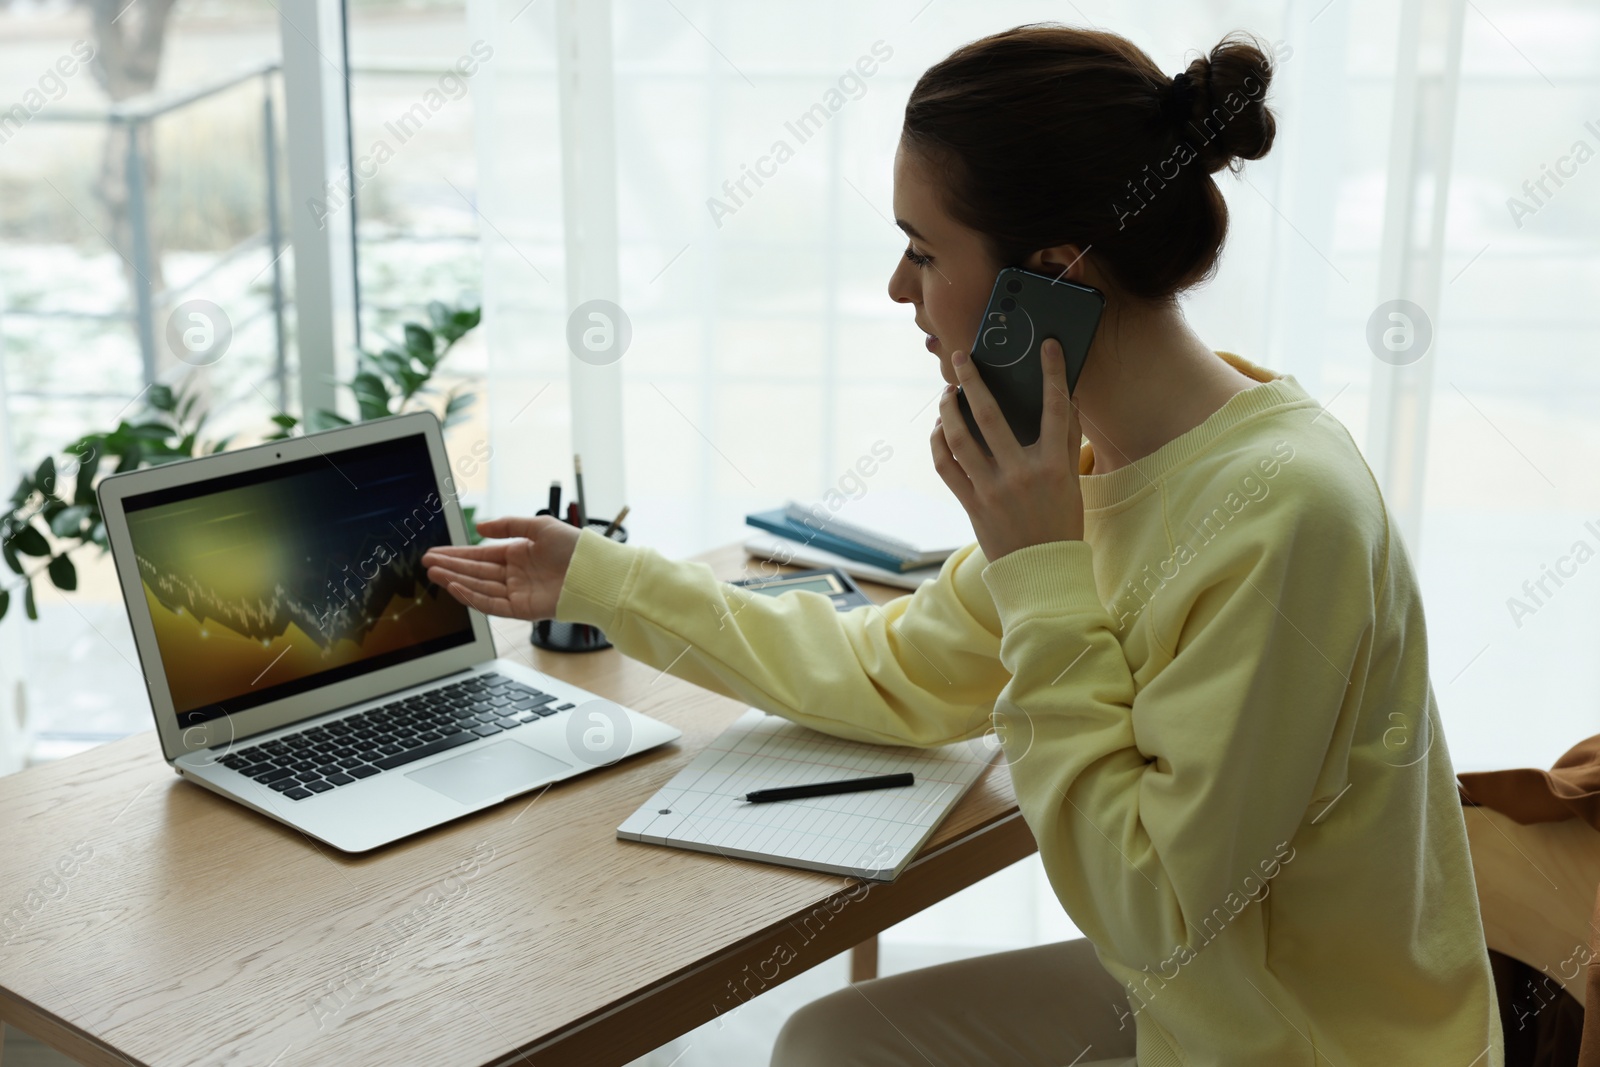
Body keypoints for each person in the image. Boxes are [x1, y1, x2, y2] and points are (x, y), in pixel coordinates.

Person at [423, 22, 1503, 1067]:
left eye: (922, 249)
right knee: (831, 1038)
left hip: (1301, 1036)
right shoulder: (1098, 464)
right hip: (1207, 999)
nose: (900, 290)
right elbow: (892, 669)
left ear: (1050, 278)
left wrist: (1039, 571)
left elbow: (1164, 909)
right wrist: (600, 577)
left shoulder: (1280, 509)